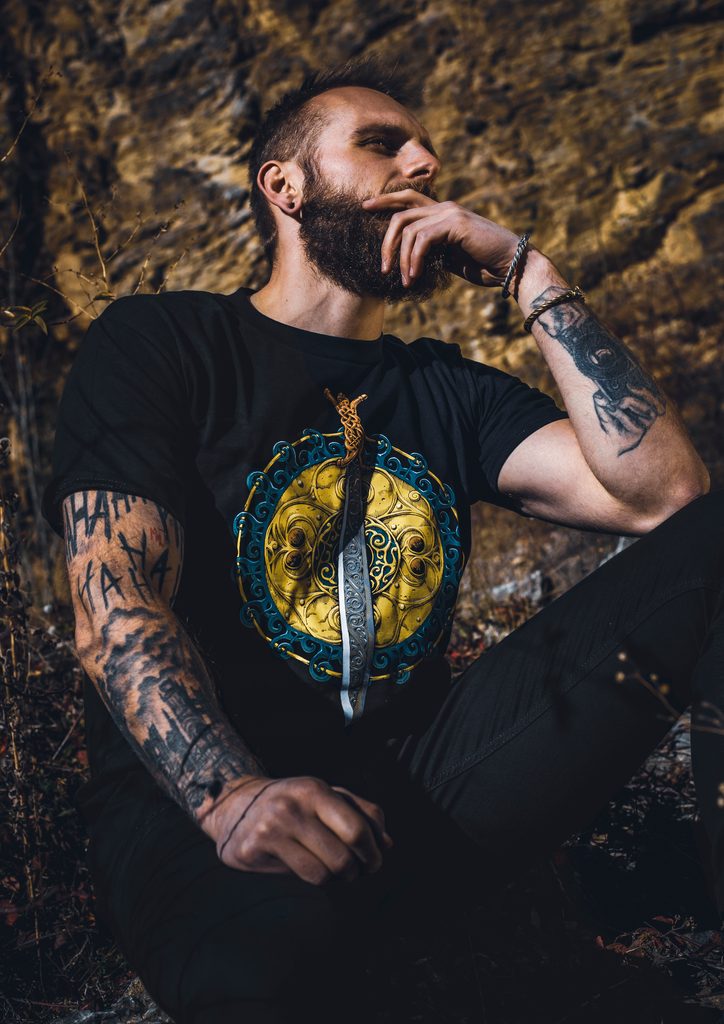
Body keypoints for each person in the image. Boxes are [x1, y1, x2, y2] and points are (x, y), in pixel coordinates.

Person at [41, 53, 720, 1024]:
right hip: (206, 815)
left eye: (425, 149)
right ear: (285, 185)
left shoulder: (444, 387)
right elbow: (117, 601)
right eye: (381, 143)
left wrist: (527, 270)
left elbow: (668, 499)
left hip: (425, 788)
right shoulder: (164, 344)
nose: (423, 163)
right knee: (271, 980)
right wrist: (231, 793)